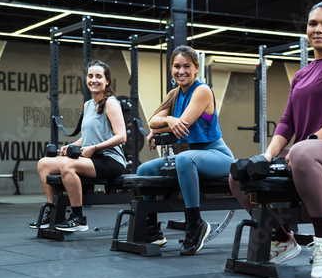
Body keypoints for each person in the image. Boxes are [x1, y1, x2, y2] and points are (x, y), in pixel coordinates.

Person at [229, 1, 322, 278]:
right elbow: (287, 122)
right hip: (307, 153)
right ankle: (282, 239)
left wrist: (310, 141)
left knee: (304, 151)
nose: (318, 29)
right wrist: (267, 156)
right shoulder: (302, 74)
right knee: (239, 173)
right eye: (313, 23)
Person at [137, 45, 234, 256]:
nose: (181, 71)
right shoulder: (174, 94)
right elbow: (153, 121)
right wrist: (168, 120)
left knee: (183, 159)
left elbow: (183, 125)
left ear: (196, 68)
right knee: (144, 170)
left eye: (186, 66)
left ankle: (195, 224)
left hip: (218, 155)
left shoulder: (202, 90)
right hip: (194, 156)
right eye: (176, 66)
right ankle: (152, 230)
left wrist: (166, 123)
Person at [31, 60, 127, 232]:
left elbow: (122, 137)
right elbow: (88, 136)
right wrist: (71, 145)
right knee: (43, 163)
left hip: (110, 160)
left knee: (67, 164)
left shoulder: (111, 103)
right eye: (90, 76)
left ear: (107, 81)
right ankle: (52, 212)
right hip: (91, 157)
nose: (93, 80)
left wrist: (95, 148)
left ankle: (78, 218)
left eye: (99, 76)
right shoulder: (88, 105)